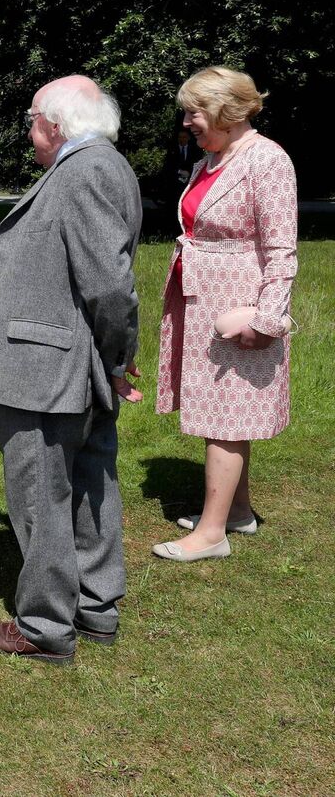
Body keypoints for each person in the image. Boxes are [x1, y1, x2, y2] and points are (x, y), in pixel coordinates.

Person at [0, 75, 143, 665]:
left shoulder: (85, 172)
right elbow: (41, 251)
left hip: (47, 368)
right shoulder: (98, 166)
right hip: (72, 362)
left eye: (31, 120)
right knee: (90, 485)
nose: (29, 131)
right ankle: (95, 606)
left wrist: (119, 359)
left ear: (55, 125)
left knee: (42, 494)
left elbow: (109, 286)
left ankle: (43, 626)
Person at [152, 67, 298, 562]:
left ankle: (212, 534)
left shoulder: (267, 159)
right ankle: (237, 511)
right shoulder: (211, 160)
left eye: (194, 112)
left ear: (225, 110)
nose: (186, 122)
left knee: (227, 418)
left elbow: (282, 249)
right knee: (224, 413)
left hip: (237, 307)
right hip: (201, 302)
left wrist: (267, 319)